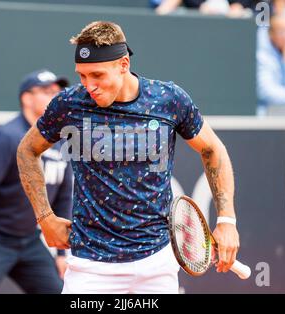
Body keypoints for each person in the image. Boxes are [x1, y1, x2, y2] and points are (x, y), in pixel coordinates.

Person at [17, 21, 240, 294]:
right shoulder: (68, 104)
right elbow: (27, 150)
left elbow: (212, 149)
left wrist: (227, 220)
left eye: (97, 75)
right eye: (83, 76)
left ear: (123, 65)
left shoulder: (168, 100)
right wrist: (45, 218)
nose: (89, 86)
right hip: (90, 266)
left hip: (156, 263)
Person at [0, 69, 73, 294]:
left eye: (58, 92)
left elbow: (64, 197)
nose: (55, 97)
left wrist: (61, 253)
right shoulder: (7, 138)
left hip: (30, 241)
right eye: (47, 91)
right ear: (27, 98)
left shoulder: (59, 141)